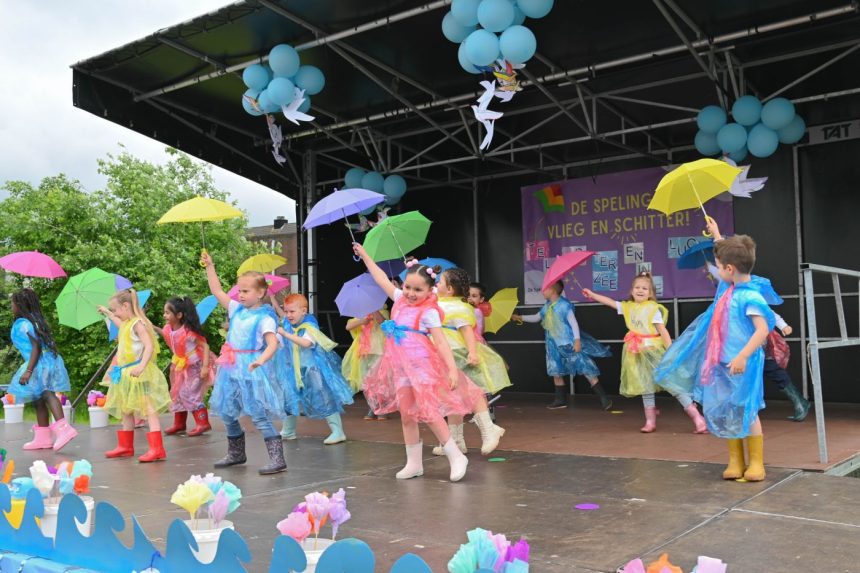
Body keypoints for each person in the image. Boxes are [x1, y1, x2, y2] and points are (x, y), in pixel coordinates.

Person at [353, 243, 484, 482]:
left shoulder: (429, 311)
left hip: (422, 366)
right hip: (401, 366)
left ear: (430, 290)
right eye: (408, 287)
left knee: (429, 411)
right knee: (407, 415)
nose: (411, 293)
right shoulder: (400, 299)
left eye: (418, 290)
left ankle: (455, 455)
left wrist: (452, 369)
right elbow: (381, 278)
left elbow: (441, 342)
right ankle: (413, 463)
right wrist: (366, 257)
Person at [656, 219, 774, 481]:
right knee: (727, 409)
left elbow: (762, 330)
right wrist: (718, 236)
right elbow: (726, 255)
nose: (716, 270)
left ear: (730, 269)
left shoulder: (749, 296)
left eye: (719, 267)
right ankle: (735, 460)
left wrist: (743, 355)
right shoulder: (727, 288)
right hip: (721, 362)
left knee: (747, 410)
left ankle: (756, 463)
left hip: (742, 364)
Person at [583, 274, 708, 433]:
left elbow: (663, 332)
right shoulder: (629, 307)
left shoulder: (652, 308)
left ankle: (698, 418)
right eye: (637, 287)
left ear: (650, 293)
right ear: (632, 290)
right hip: (637, 354)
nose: (640, 290)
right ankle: (650, 421)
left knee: (672, 385)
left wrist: (671, 353)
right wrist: (593, 295)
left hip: (654, 353)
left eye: (644, 288)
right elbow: (610, 302)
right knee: (645, 386)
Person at [202, 253, 287, 474]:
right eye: (239, 290)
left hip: (251, 368)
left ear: (260, 293)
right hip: (231, 367)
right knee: (227, 412)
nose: (240, 295)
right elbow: (216, 291)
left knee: (258, 413)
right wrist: (210, 267)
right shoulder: (236, 310)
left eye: (245, 291)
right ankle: (236, 453)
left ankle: (277, 458)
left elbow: (271, 344)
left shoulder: (265, 318)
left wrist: (260, 361)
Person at [432, 268, 508, 456]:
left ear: (449, 289)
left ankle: (489, 429)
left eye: (440, 282)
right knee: (452, 397)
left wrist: (473, 353)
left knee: (471, 392)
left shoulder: (457, 307)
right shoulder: (443, 302)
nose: (436, 285)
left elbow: (467, 331)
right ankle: (456, 440)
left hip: (457, 354)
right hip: (443, 355)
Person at [512, 281, 612, 410]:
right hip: (553, 346)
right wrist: (519, 317)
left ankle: (604, 398)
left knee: (586, 368)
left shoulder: (564, 305)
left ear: (553, 290)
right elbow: (537, 317)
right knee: (556, 371)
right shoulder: (547, 306)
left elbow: (573, 323)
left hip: (568, 344)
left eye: (545, 288)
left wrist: (577, 341)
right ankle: (560, 400)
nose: (542, 291)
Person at [99, 289, 171, 462]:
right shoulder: (126, 323)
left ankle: (157, 448)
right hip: (125, 373)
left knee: (148, 408)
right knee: (126, 409)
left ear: (125, 306)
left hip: (138, 372)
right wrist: (107, 312)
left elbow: (149, 346)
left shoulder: (138, 323)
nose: (115, 313)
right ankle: (125, 446)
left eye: (115, 309)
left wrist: (142, 366)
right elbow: (117, 321)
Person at [275, 293, 355, 444]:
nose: (288, 315)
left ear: (303, 311)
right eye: (286, 311)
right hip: (295, 369)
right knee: (289, 397)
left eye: (292, 311)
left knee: (323, 396)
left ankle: (338, 432)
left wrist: (285, 334)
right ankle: (288, 431)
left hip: (312, 368)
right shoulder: (288, 324)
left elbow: (306, 343)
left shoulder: (309, 325)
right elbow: (281, 340)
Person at [7, 288, 76, 451]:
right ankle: (43, 438)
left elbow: (36, 347)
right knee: (38, 399)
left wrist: (28, 370)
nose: (11, 307)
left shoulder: (25, 324)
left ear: (20, 305)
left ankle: (64, 430)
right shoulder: (35, 321)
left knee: (46, 393)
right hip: (45, 361)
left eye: (12, 303)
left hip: (38, 363)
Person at [156, 297, 215, 437]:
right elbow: (165, 333)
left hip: (195, 367)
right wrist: (150, 326)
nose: (164, 315)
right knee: (177, 393)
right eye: (164, 312)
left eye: (167, 313)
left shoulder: (188, 331)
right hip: (181, 367)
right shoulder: (169, 329)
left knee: (190, 394)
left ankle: (203, 423)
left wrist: (205, 367)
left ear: (179, 315)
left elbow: (205, 346)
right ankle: (179, 424)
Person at [342, 307, 389, 421]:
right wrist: (362, 321)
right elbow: (348, 326)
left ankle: (381, 409)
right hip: (363, 351)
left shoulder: (383, 312)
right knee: (366, 381)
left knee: (378, 380)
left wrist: (374, 310)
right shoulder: (360, 313)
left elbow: (383, 322)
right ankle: (372, 407)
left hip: (378, 351)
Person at [765, 316, 809, 421]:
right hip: (740, 348)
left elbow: (771, 314)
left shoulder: (754, 302)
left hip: (760, 347)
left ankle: (800, 402)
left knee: (774, 371)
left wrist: (784, 326)